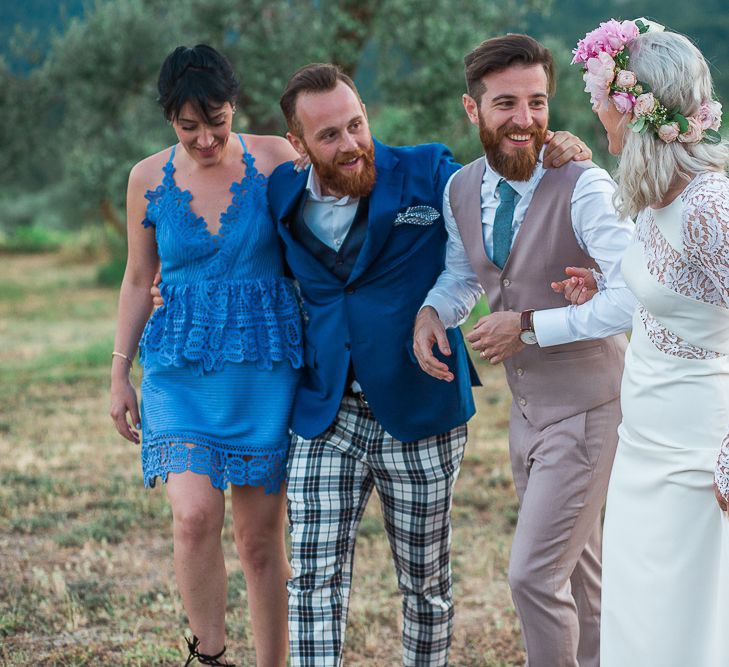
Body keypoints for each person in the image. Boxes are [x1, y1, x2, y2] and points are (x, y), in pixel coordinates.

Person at [265, 63, 590, 666]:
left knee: (425, 586)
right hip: (325, 411)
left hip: (422, 408)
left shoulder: (429, 171)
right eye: (329, 135)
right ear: (298, 144)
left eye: (356, 124)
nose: (350, 143)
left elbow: (505, 174)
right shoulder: (280, 194)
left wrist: (560, 145)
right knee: (311, 580)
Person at [413, 35, 637, 667]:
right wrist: (434, 312)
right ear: (472, 109)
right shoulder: (460, 189)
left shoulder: (585, 183)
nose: (525, 120)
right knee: (583, 579)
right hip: (527, 415)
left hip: (592, 409)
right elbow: (464, 280)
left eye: (537, 103)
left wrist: (531, 325)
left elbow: (630, 298)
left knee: (533, 578)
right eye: (505, 103)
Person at [109, 45, 303, 667]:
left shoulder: (276, 157)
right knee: (193, 517)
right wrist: (119, 370)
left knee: (259, 542)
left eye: (214, 122)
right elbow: (139, 279)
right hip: (178, 366)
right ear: (170, 119)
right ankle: (211, 657)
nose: (204, 139)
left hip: (263, 367)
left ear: (233, 106)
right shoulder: (147, 178)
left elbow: (341, 211)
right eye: (187, 127)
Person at [561, 20, 729, 666]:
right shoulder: (655, 200)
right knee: (639, 622)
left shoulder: (711, 207)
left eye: (601, 102)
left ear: (633, 110)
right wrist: (601, 281)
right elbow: (675, 293)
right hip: (641, 442)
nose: (596, 115)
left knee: (686, 625)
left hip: (696, 453)